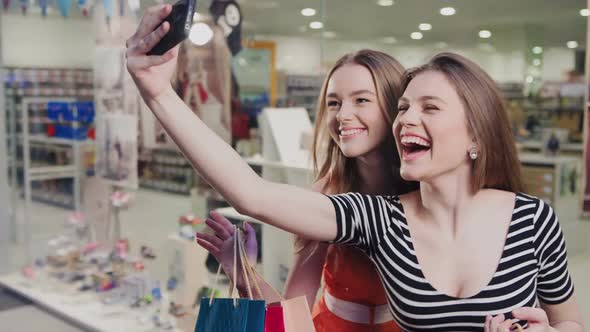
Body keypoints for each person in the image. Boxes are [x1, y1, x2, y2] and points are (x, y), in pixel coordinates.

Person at [125, 5, 583, 330]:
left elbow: (571, 323)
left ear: (476, 134)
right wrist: (159, 92)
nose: (344, 117)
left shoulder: (532, 220)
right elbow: (254, 196)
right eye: (404, 107)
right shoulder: (374, 218)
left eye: (364, 101)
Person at [196, 49, 416, 331]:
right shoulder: (326, 193)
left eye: (361, 100)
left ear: (395, 105)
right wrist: (243, 272)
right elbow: (291, 315)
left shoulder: (422, 191)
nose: (343, 115)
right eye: (333, 103)